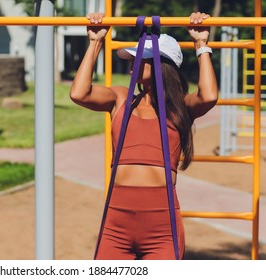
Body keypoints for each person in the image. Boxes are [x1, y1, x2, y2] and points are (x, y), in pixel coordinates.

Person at [69, 12, 218, 260]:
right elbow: (79, 93)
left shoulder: (180, 107)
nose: (130, 65)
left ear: (162, 64)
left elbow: (210, 96)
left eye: (138, 59)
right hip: (116, 224)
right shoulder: (121, 99)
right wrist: (95, 42)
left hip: (162, 226)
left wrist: (201, 45)